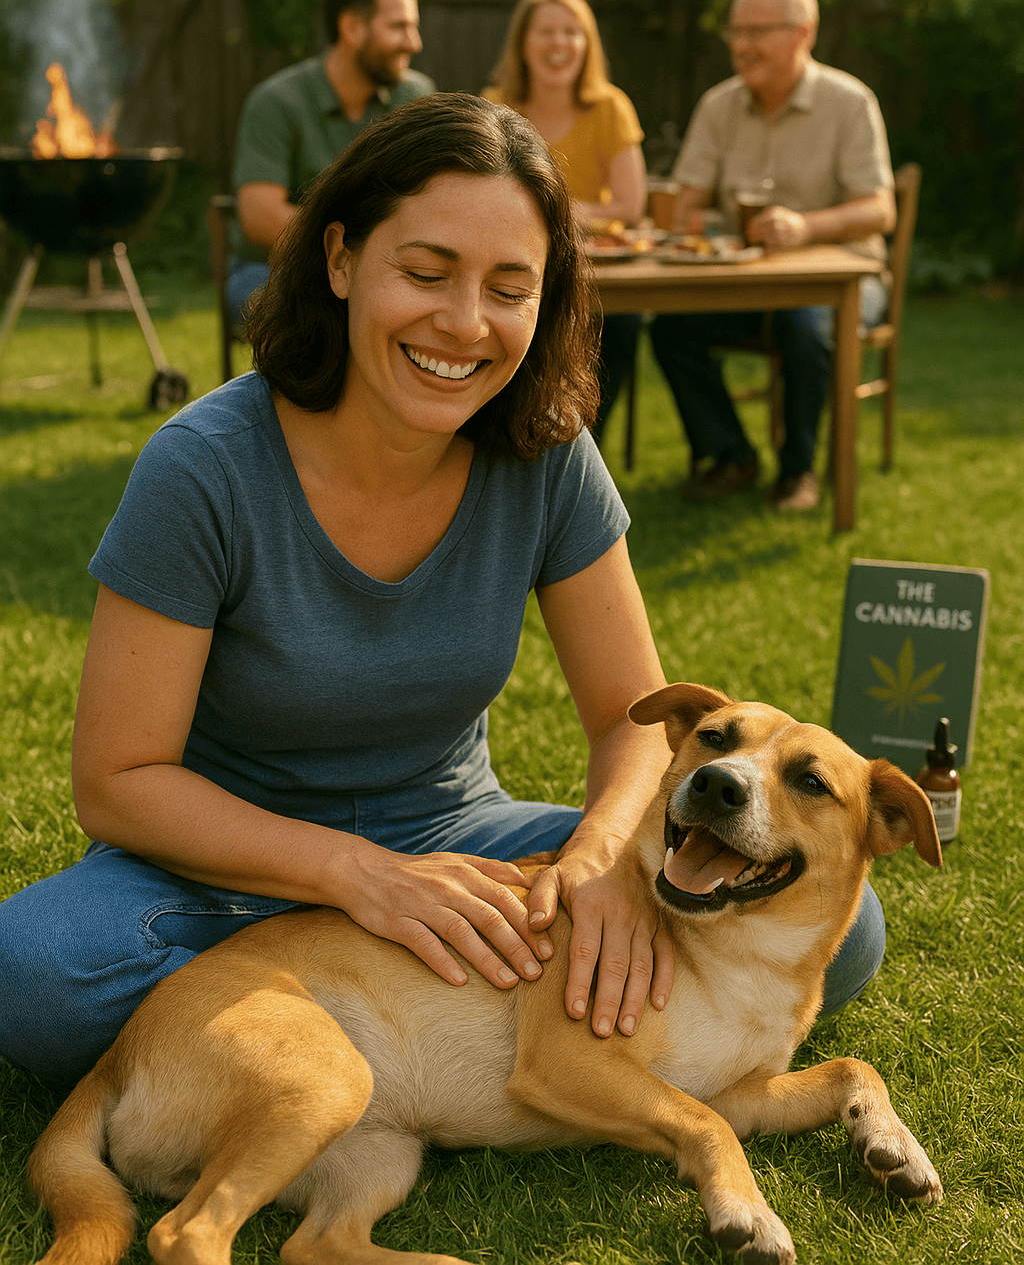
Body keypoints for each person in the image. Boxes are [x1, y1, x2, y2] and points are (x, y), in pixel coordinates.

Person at [0, 96, 884, 1093]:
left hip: (461, 843)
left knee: (847, 926)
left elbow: (631, 718)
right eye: (425, 274)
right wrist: (359, 879)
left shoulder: (546, 453)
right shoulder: (203, 468)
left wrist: (596, 861)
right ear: (341, 259)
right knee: (34, 973)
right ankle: (337, 1004)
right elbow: (119, 779)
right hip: (220, 872)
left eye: (510, 289)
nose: (465, 324)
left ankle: (386, 1022)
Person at [649, 0, 896, 512]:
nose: (742, 45)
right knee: (671, 329)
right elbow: (686, 207)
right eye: (735, 31)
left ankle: (798, 471)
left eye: (758, 31)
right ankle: (731, 455)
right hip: (748, 280)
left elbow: (881, 209)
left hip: (844, 282)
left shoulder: (850, 102)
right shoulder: (718, 106)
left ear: (803, 33)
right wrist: (708, 225)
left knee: (803, 326)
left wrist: (806, 227)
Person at [482, 0, 647, 446]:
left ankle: (584, 445)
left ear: (587, 44)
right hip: (514, 261)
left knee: (624, 322)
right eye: (546, 31)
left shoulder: (610, 106)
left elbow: (631, 206)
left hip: (595, 264)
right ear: (523, 44)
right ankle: (515, 434)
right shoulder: (494, 104)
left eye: (572, 32)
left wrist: (559, 212)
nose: (560, 43)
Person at [226, 0, 435, 323]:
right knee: (311, 314)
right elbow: (260, 216)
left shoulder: (416, 97)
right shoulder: (276, 102)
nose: (414, 43)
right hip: (275, 267)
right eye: (398, 27)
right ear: (352, 28)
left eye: (413, 26)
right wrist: (356, 259)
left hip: (393, 266)